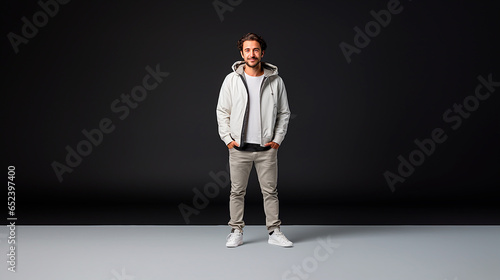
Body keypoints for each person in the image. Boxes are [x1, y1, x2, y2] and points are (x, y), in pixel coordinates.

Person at [216, 32, 293, 248]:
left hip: (267, 147)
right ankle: (236, 231)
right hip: (238, 147)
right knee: (237, 191)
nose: (252, 54)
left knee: (270, 191)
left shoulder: (275, 81)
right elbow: (222, 111)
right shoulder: (231, 80)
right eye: (247, 50)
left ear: (262, 52)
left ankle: (274, 231)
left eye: (256, 49)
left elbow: (284, 113)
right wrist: (228, 139)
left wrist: (277, 140)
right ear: (242, 53)